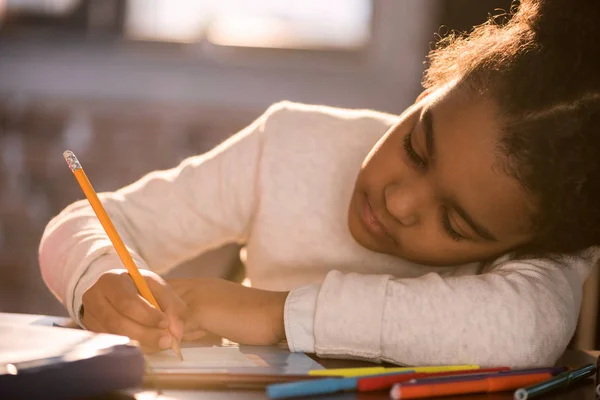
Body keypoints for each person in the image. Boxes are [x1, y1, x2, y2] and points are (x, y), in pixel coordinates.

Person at [39, 0, 600, 367]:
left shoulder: (548, 248)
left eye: (454, 222)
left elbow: (525, 333)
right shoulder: (290, 146)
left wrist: (276, 315)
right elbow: (83, 223)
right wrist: (96, 278)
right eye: (416, 146)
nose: (399, 199)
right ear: (435, 84)